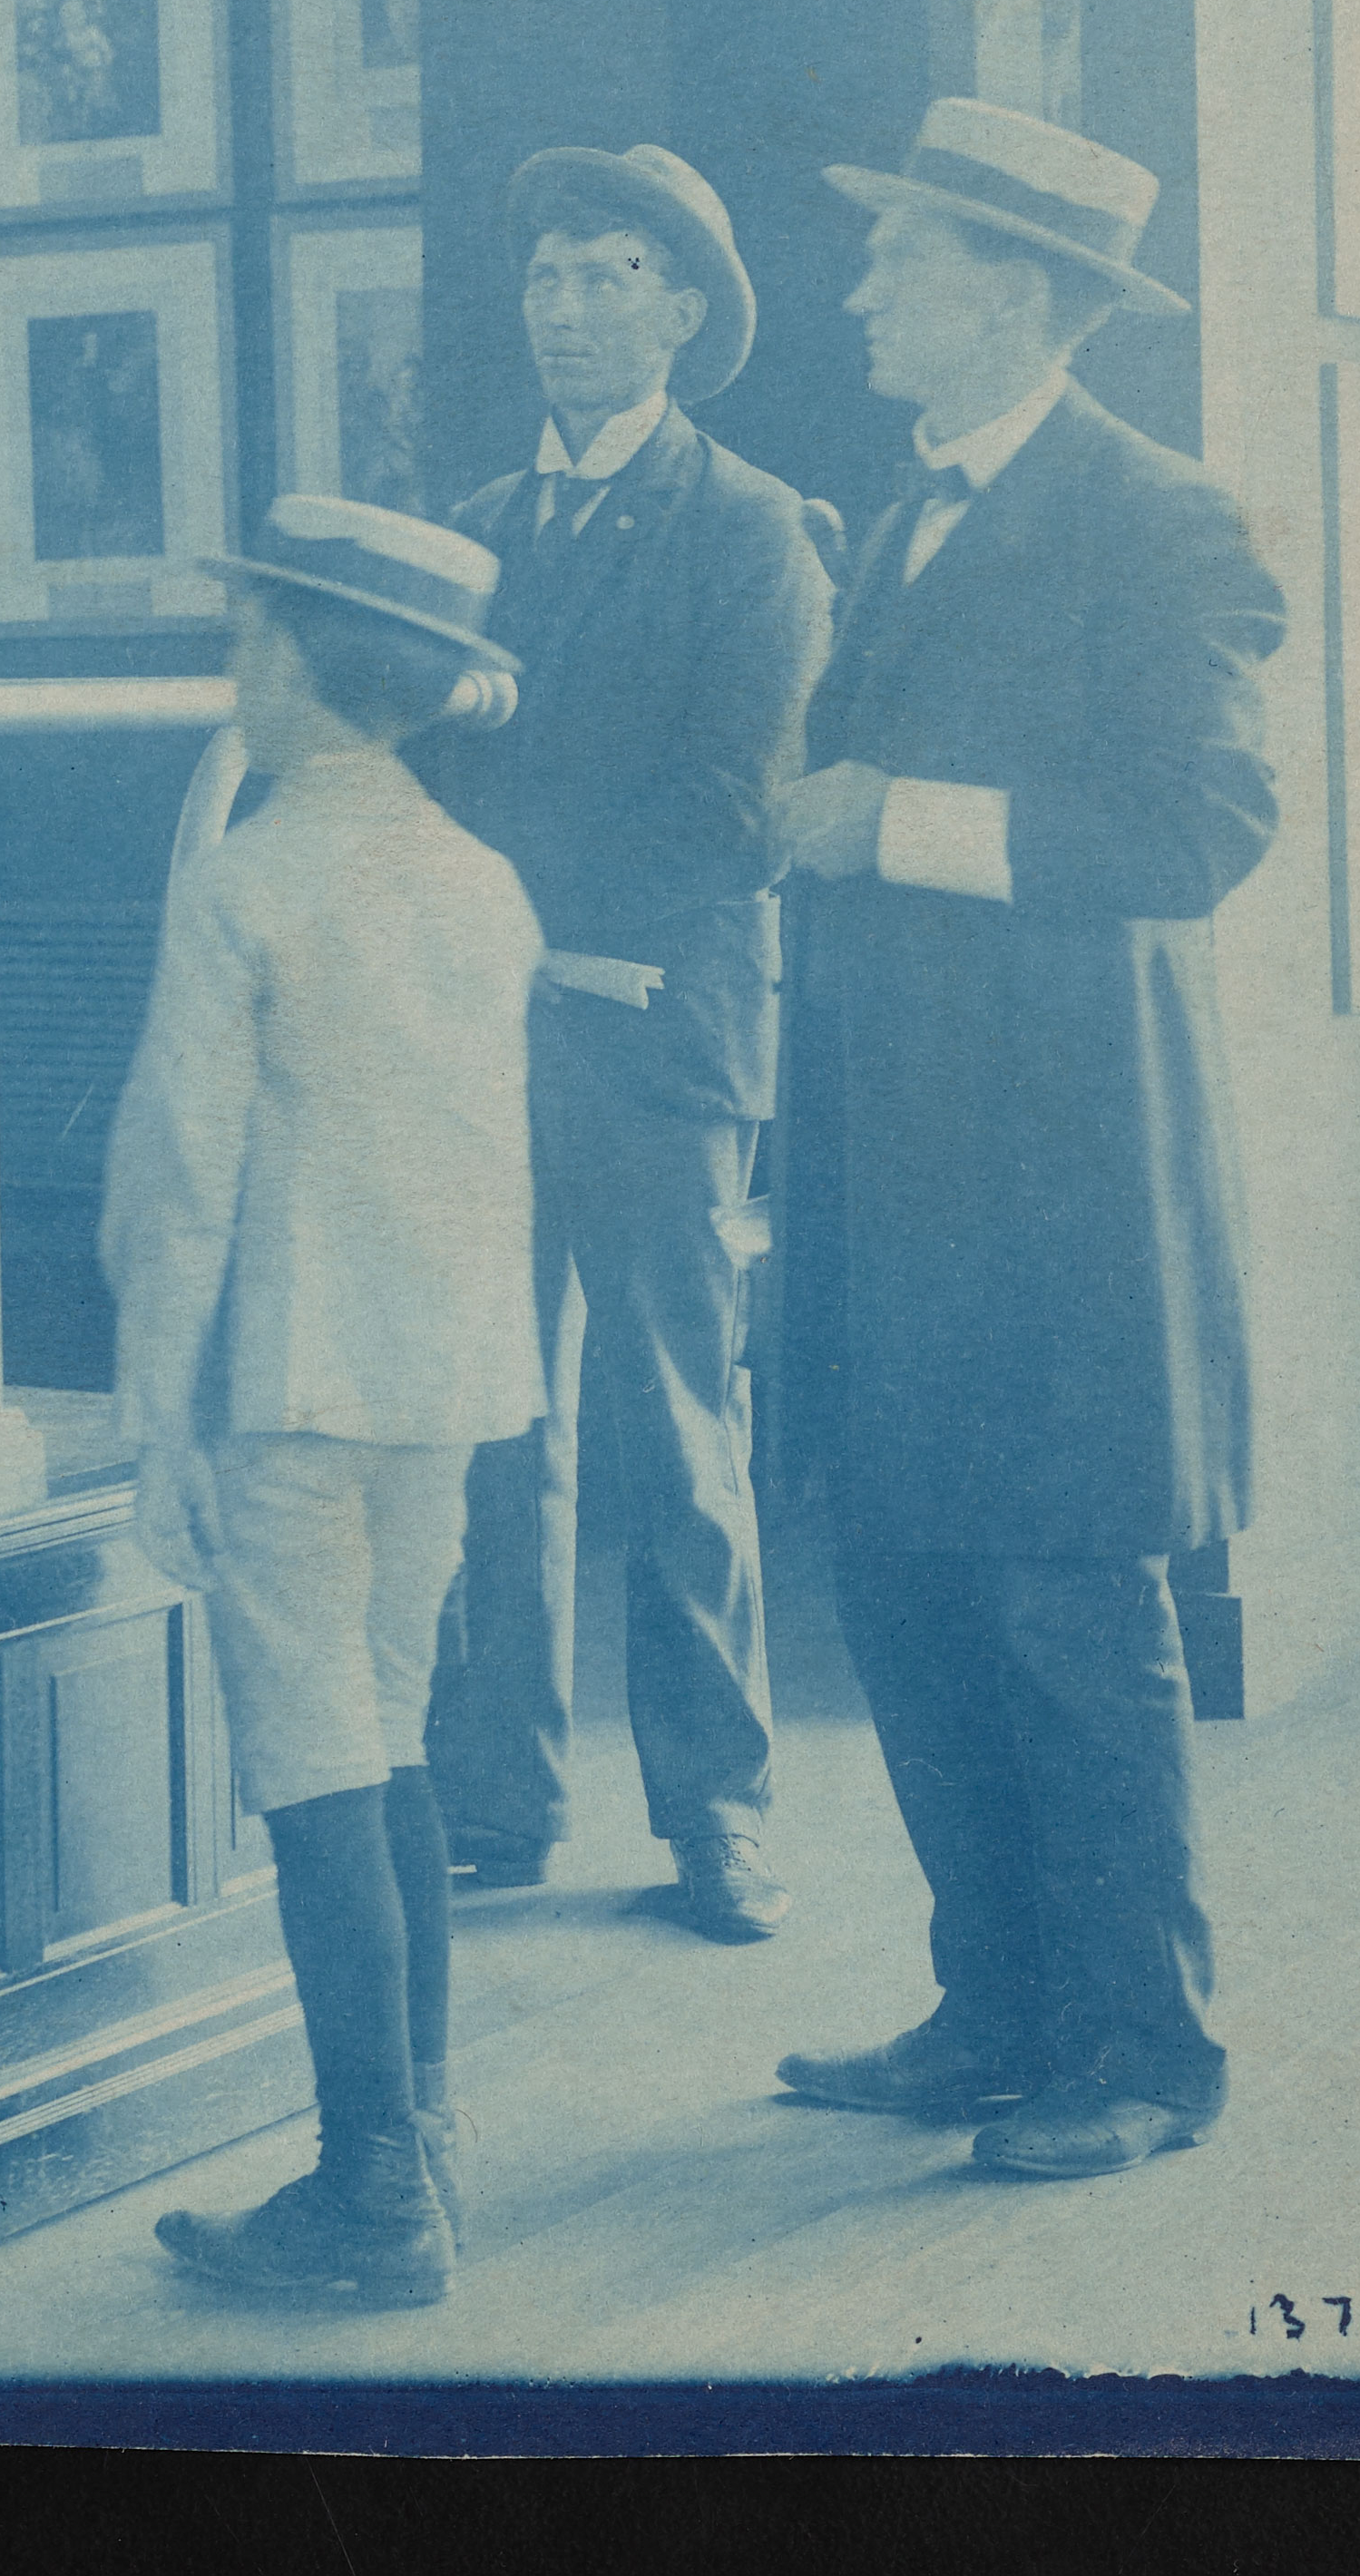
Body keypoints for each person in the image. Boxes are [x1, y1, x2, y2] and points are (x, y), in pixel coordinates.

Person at [769, 101, 1282, 2182]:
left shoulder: (1157, 512)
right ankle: (996, 2008)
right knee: (904, 1578)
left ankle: (1145, 2049)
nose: (868, 286)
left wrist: (887, 815)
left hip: (1065, 1172)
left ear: (1022, 291)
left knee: (1069, 1596)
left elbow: (1198, 829)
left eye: (904, 255)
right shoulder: (906, 508)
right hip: (896, 1155)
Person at [110, 495, 543, 2311]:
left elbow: (181, 1181)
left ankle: (370, 2192)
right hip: (447, 1379)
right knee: (391, 1733)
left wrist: (152, 1423)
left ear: (293, 657)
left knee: (311, 1766)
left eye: (247, 633)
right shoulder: (482, 877)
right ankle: (426, 2136)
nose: (233, 661)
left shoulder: (250, 879)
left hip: (287, 1387)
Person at [410, 146, 832, 1941]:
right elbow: (419, 769)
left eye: (608, 275)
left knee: (673, 1424)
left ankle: (718, 1806)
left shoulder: (758, 525)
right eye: (548, 277)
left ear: (683, 310)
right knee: (494, 1420)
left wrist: (520, 910)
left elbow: (742, 802)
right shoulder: (473, 527)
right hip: (488, 1038)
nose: (567, 306)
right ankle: (497, 1792)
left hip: (661, 1038)